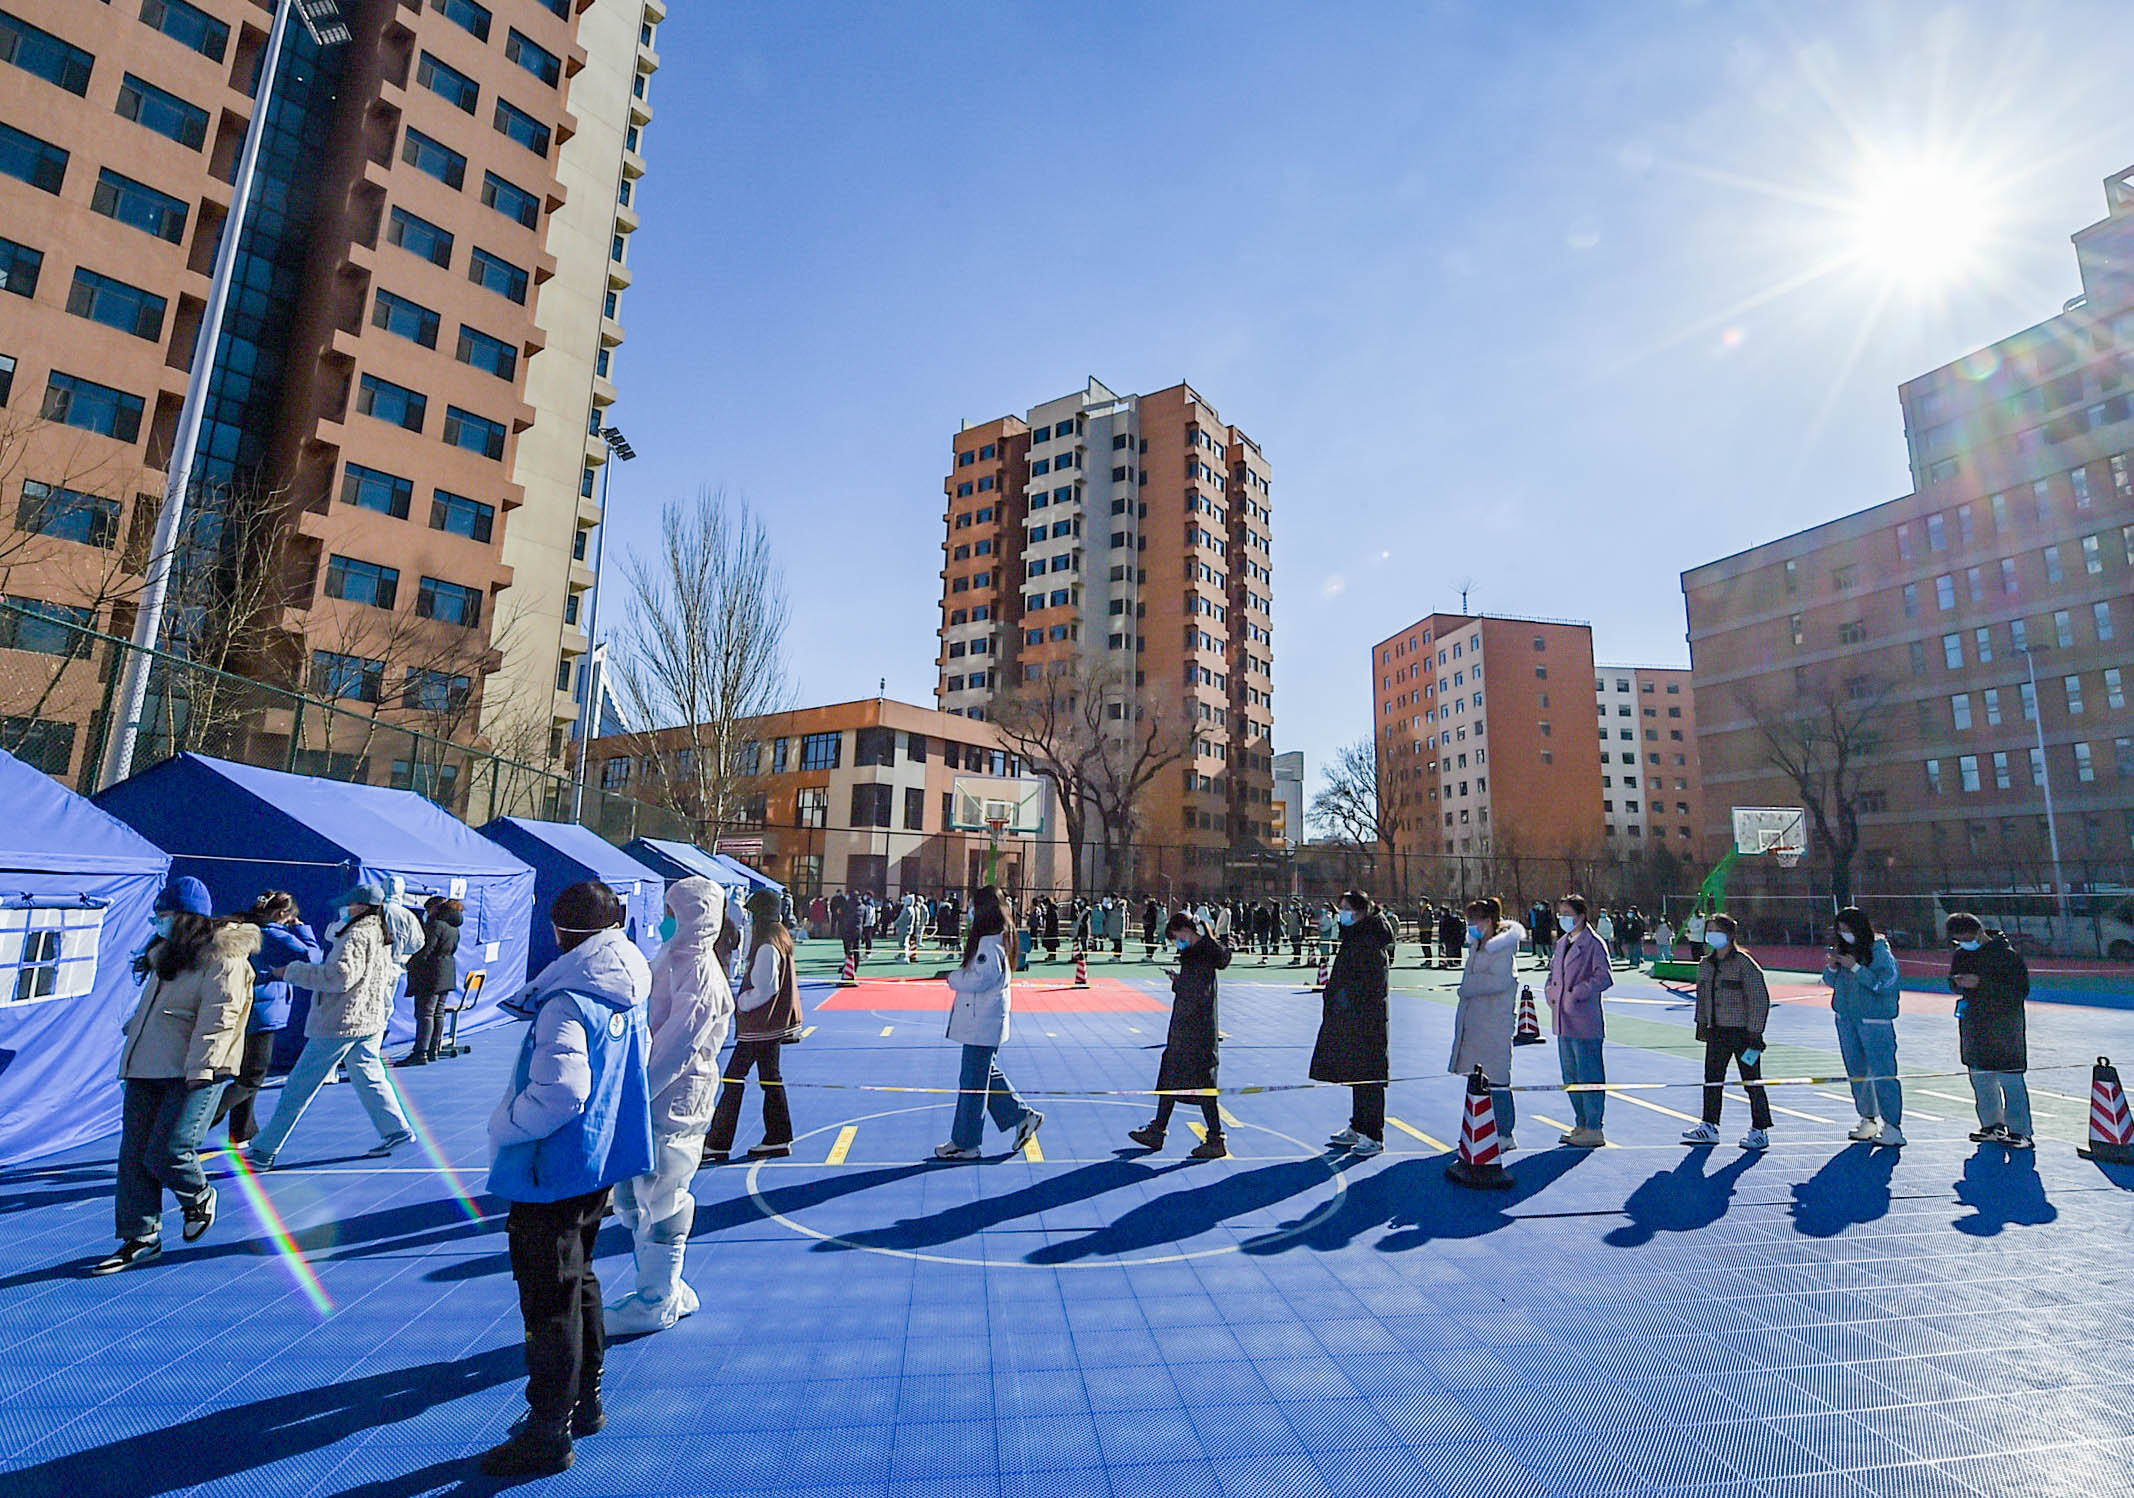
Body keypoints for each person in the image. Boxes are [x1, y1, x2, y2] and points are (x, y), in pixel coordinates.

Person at [479, 881, 654, 1478]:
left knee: (547, 1301)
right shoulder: (626, 985)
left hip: (551, 1166)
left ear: (559, 931)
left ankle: (548, 1429)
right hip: (595, 1159)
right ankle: (585, 1400)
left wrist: (506, 1124)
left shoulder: (567, 1000)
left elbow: (562, 1090)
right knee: (579, 1279)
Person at [95, 878, 258, 1275]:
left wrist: (203, 1068)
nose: (158, 923)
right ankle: (141, 1237)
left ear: (187, 918)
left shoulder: (224, 958)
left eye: (165, 915)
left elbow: (220, 1017)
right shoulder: (165, 955)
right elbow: (158, 1009)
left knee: (168, 1150)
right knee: (134, 1157)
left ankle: (198, 1196)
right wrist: (135, 1034)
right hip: (147, 1066)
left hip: (196, 1070)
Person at [606, 878, 733, 1334]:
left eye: (671, 912)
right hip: (654, 1097)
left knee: (664, 1195)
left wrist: (633, 1096)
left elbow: (675, 1050)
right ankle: (666, 1288)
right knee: (641, 1196)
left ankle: (656, 1298)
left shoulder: (699, 974)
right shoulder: (672, 960)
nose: (663, 921)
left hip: (674, 1102)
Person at [243, 879, 414, 1171]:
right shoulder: (380, 932)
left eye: (350, 904)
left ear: (361, 906)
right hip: (369, 1018)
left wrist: (290, 972)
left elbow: (339, 977)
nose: (345, 909)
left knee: (299, 1086)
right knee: (369, 1075)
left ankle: (264, 1150)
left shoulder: (356, 935)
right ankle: (395, 1129)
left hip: (342, 1021)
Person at [936, 886, 1043, 1160]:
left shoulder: (988, 943)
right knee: (983, 1074)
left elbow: (981, 979)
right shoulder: (1002, 937)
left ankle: (966, 1142)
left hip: (981, 1022)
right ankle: (1022, 1116)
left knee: (972, 1084)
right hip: (986, 1020)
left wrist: (953, 978)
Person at [215, 891, 319, 1145]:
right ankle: (204, 1118)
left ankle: (243, 1131)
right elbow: (313, 957)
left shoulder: (246, 929)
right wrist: (302, 929)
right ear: (283, 914)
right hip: (263, 1013)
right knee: (252, 1077)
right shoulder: (273, 935)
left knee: (244, 1074)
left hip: (246, 1007)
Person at [705, 889, 801, 1162]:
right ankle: (778, 1135)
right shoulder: (779, 936)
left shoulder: (767, 944)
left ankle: (719, 1141)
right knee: (770, 1078)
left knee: (734, 1078)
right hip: (771, 1025)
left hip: (760, 1025)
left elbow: (766, 987)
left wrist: (742, 1002)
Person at [1129, 912, 1231, 1157]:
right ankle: (1158, 1129)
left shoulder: (1201, 954)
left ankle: (1215, 1137)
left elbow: (1196, 993)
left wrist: (1178, 983)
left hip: (1195, 1030)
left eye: (1176, 937)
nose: (1177, 942)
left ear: (1187, 930)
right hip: (1189, 1027)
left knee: (1201, 1083)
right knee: (1173, 1076)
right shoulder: (1198, 953)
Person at [1311, 890, 1396, 1156]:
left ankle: (1374, 1134)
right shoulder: (1355, 936)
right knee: (1356, 1072)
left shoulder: (1371, 941)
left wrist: (1346, 999)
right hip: (1350, 1017)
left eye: (1347, 908)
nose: (1342, 914)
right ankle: (1358, 1126)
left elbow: (1370, 985)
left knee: (1370, 1075)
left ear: (1361, 910)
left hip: (1367, 1019)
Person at [1680, 913, 1773, 1150]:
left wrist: (1755, 1032)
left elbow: (1759, 999)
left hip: (1743, 1033)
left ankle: (1760, 1129)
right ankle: (1709, 1126)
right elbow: (1702, 997)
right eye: (1709, 930)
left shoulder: (1744, 964)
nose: (1712, 935)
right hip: (1717, 1031)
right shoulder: (1706, 964)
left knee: (1752, 1080)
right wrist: (1702, 1024)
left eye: (1717, 930)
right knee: (1712, 1079)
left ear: (1730, 934)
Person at [1821, 905, 1905, 1147]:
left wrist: (1857, 968)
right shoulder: (1843, 949)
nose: (1844, 934)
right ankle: (1867, 1119)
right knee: (1857, 1072)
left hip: (1874, 1020)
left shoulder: (1879, 951)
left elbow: (1884, 984)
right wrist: (1833, 966)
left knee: (1883, 1072)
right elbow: (1831, 981)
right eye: (1840, 930)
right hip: (1846, 1019)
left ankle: (1893, 1126)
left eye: (1847, 929)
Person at [1947, 912, 2032, 1149]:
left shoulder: (2007, 955)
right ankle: (1991, 1126)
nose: (1964, 943)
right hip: (1974, 1025)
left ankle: (2021, 1131)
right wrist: (1958, 982)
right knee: (1981, 1080)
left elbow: (2020, 990)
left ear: (1979, 931)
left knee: (2011, 1080)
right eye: (1959, 939)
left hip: (2005, 1026)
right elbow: (1952, 981)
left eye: (1967, 938)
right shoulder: (1961, 954)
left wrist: (1981, 983)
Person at [1451, 897, 1526, 1150]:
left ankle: (1504, 1133)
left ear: (1489, 921)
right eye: (1469, 920)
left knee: (1497, 1079)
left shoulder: (1502, 948)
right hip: (1475, 1021)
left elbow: (1500, 981)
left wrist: (1469, 987)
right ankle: (1477, 1130)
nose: (1470, 925)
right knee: (1477, 1079)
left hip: (1495, 1021)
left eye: (1475, 920)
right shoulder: (1477, 946)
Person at [1546, 893, 1613, 1147]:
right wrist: (1551, 992)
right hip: (1562, 1019)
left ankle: (1594, 1127)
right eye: (1560, 914)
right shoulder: (1562, 943)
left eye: (1568, 914)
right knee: (1571, 1075)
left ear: (1581, 916)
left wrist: (1577, 992)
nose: (1563, 918)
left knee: (1589, 1074)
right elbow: (1554, 973)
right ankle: (1581, 1123)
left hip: (1584, 1020)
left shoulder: (1593, 943)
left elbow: (1604, 977)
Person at [399, 896, 463, 1066]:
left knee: (426, 1014)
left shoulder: (435, 925)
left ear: (435, 909)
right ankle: (433, 1050)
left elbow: (426, 949)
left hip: (431, 973)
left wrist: (410, 964)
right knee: (438, 1013)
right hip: (447, 972)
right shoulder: (454, 927)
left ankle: (420, 1052)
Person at [1438, 904, 1465, 970]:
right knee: (1445, 950)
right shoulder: (1442, 919)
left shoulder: (1452, 919)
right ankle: (1445, 962)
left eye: (1443, 911)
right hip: (1446, 937)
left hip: (1452, 937)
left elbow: (1458, 928)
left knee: (1452, 950)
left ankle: (1453, 961)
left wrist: (1459, 936)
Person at [1620, 907, 1647, 972]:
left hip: (1636, 938)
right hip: (1629, 938)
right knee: (1630, 951)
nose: (1629, 914)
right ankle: (1631, 962)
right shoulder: (1626, 921)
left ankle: (1636, 963)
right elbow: (1623, 929)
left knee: (1636, 951)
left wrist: (1639, 935)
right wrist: (1625, 936)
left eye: (1631, 912)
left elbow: (1640, 929)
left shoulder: (1637, 920)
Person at [1142, 896, 1160, 960]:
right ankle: (1149, 954)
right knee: (1148, 940)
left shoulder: (1152, 908)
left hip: (1150, 926)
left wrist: (1146, 920)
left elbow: (1150, 917)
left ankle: (1149, 956)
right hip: (1148, 926)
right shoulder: (1149, 907)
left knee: (1149, 941)